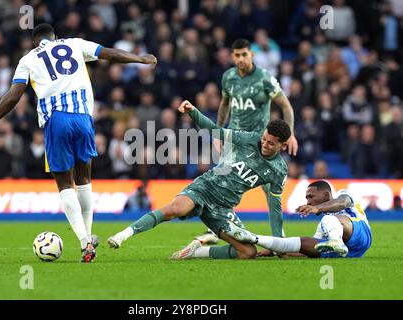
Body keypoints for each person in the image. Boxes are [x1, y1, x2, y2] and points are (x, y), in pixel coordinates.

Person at [0, 23, 157, 262]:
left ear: (35, 41)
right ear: (55, 37)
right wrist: (140, 58)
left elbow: (14, 95)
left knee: (65, 184)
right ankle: (88, 235)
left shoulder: (28, 59)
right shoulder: (75, 44)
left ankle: (84, 242)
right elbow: (110, 53)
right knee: (84, 178)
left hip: (56, 120)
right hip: (83, 118)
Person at [107, 100, 290, 261]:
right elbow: (215, 131)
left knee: (247, 252)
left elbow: (275, 207)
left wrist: (279, 245)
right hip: (206, 188)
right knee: (175, 209)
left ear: (283, 145)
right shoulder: (250, 139)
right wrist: (194, 112)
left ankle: (195, 252)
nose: (264, 144)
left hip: (224, 208)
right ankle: (123, 235)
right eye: (264, 139)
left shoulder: (278, 171)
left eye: (271, 143)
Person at [194, 38, 298, 247]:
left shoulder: (265, 79)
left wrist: (290, 134)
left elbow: (286, 106)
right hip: (234, 139)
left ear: (252, 54)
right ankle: (216, 228)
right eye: (237, 55)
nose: (241, 59)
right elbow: (224, 104)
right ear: (232, 57)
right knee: (221, 180)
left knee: (270, 190)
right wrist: (218, 132)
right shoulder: (228, 77)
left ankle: (278, 236)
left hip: (260, 141)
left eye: (244, 54)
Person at [171, 180, 372, 259]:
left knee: (332, 220)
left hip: (359, 234)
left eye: (310, 196)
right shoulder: (326, 223)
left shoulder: (343, 198)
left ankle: (336, 243)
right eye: (307, 198)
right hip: (346, 251)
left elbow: (341, 203)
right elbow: (311, 253)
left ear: (326, 195)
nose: (307, 200)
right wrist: (279, 253)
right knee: (297, 245)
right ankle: (202, 251)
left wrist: (316, 208)